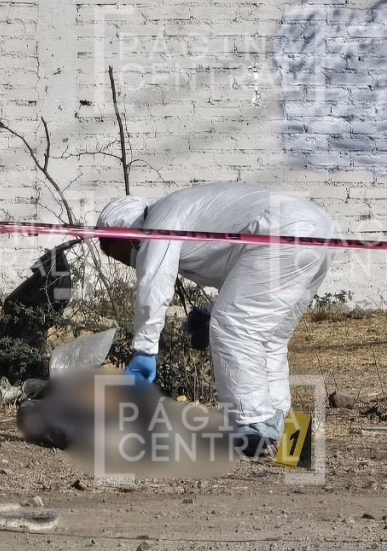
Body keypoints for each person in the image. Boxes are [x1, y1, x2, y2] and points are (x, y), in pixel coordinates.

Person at [96, 182, 336, 456]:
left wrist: (144, 350)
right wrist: (212, 313)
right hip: (317, 229)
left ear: (127, 235)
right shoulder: (185, 209)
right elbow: (244, 278)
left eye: (122, 254)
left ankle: (255, 428)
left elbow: (154, 285)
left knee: (235, 327)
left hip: (283, 231)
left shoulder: (159, 221)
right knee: (268, 338)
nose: (129, 261)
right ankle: (290, 443)